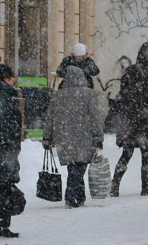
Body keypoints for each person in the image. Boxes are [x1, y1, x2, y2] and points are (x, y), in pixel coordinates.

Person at [43, 65, 103, 208]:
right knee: (80, 167)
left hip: (65, 138)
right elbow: (96, 117)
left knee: (73, 167)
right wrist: (98, 137)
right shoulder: (89, 94)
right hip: (85, 137)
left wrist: (47, 138)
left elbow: (50, 118)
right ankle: (71, 197)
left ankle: (79, 196)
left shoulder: (58, 95)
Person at [112, 42, 148, 196]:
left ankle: (115, 186)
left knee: (126, 153)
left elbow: (122, 93)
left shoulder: (129, 71)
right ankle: (145, 187)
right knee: (146, 154)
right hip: (144, 120)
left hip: (129, 119)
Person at [0, 63, 24, 237]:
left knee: (0, 187)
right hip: (2, 150)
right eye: (11, 77)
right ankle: (1, 226)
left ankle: (0, 224)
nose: (14, 80)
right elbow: (4, 125)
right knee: (3, 187)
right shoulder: (3, 96)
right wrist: (10, 145)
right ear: (5, 79)